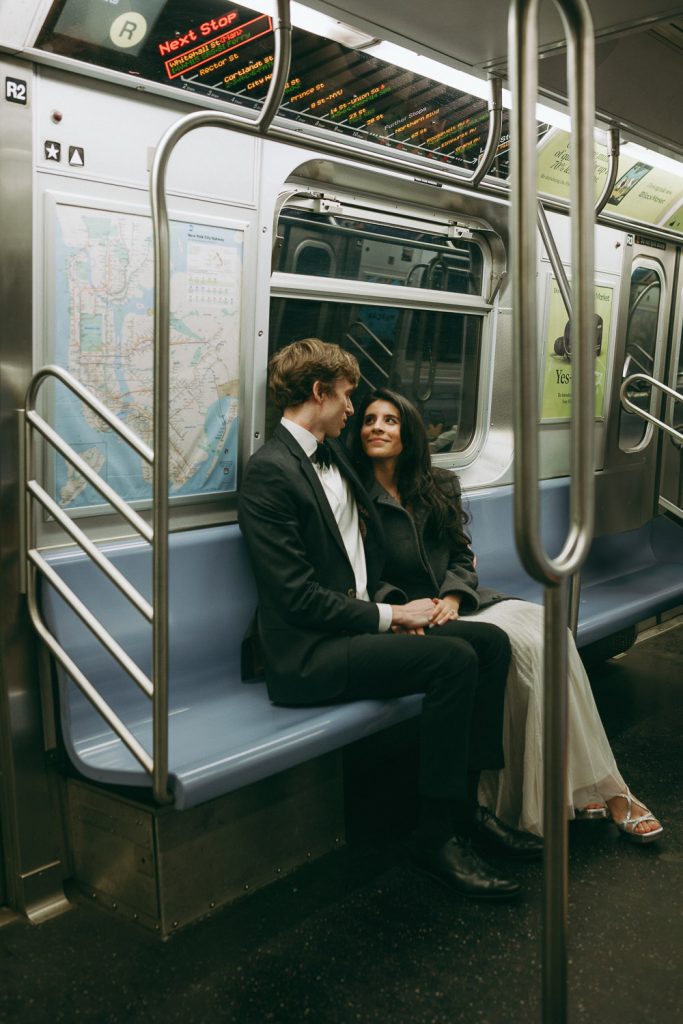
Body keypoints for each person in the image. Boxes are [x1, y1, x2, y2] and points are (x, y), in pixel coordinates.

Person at [238, 339, 543, 903]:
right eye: (349, 397)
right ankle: (434, 839)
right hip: (309, 652)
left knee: (491, 645)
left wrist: (419, 598)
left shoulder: (336, 462)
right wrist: (389, 615)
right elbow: (295, 598)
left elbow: (367, 554)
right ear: (319, 392)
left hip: (354, 627)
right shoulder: (271, 473)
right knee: (453, 661)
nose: (353, 412)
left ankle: (469, 809)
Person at [351, 386, 663, 843]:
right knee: (520, 653)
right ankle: (574, 792)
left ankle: (591, 784)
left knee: (548, 636)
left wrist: (454, 599)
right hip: (410, 618)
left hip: (458, 606)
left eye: (390, 420)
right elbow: (360, 572)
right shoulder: (354, 495)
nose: (377, 428)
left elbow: (461, 557)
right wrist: (404, 610)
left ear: (409, 432)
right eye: (369, 420)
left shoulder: (437, 485)